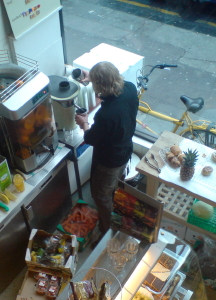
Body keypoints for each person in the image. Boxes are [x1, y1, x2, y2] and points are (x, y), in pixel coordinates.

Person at [75, 61, 139, 248]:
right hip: (125, 150)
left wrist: (84, 122)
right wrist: (93, 77)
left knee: (100, 195)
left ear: (99, 87)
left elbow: (91, 138)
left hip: (109, 161)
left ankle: (108, 230)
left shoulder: (106, 115)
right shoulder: (129, 88)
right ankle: (114, 210)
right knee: (115, 186)